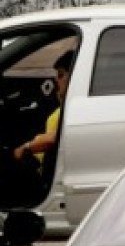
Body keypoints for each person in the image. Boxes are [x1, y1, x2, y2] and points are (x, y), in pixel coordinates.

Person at [0, 50, 74, 208]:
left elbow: (53, 138)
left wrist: (26, 147)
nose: (56, 80)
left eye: (61, 75)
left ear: (74, 76)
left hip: (47, 181)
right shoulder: (60, 111)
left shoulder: (75, 110)